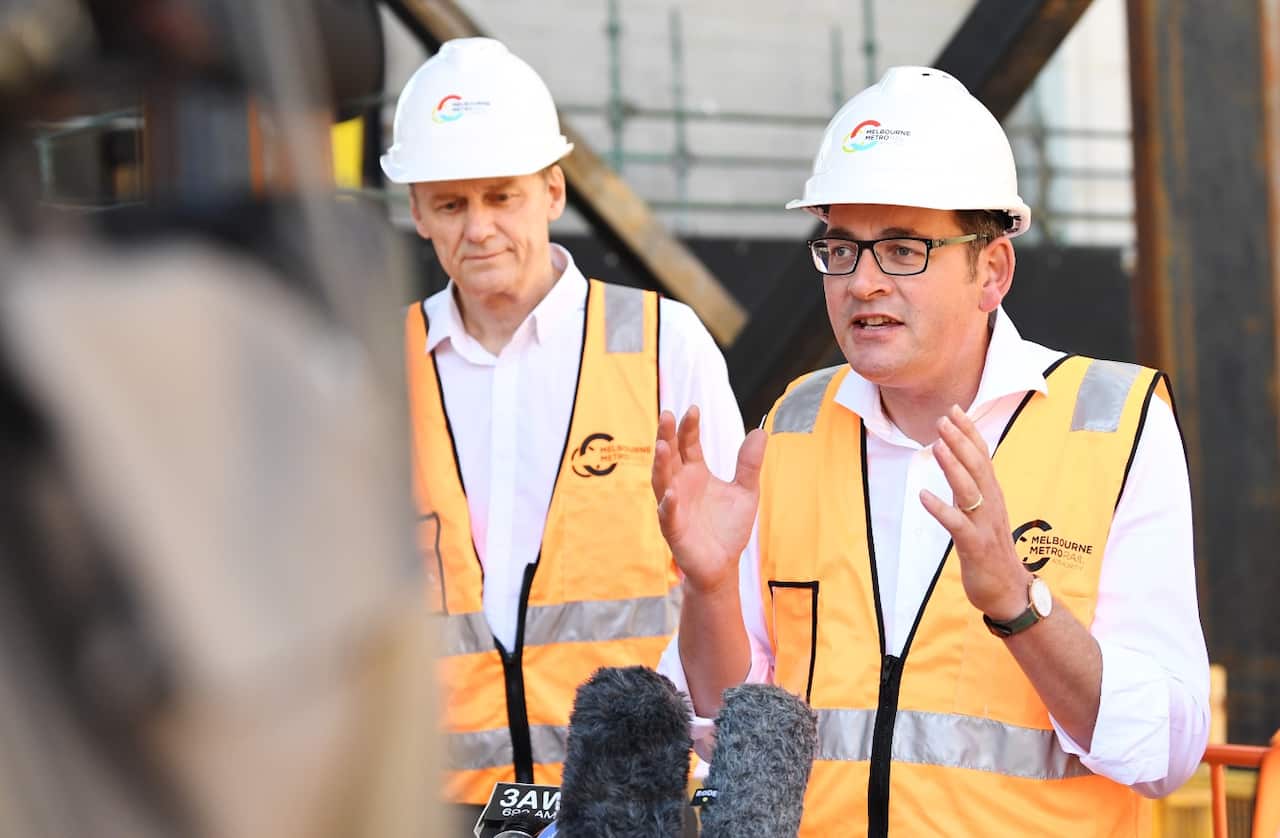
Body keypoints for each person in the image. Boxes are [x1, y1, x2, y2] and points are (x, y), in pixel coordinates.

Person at [653, 66, 1210, 836]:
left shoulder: (1111, 425)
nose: (864, 283)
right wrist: (710, 588)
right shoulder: (794, 426)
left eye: (904, 249)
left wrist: (1020, 606)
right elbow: (720, 727)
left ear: (993, 270)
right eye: (842, 249)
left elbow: (1167, 754)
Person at [382, 37, 745, 810]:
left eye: (501, 196)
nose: (478, 228)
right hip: (437, 806)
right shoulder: (379, 367)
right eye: (451, 203)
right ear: (416, 212)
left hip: (631, 807)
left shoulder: (662, 346)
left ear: (551, 190)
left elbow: (734, 586)